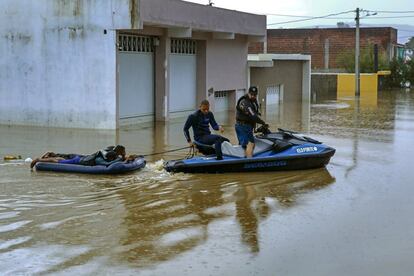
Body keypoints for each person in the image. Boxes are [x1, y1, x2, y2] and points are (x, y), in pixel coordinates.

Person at [30, 145, 134, 169]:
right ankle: (39, 159)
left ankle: (52, 153)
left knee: (65, 156)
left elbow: (116, 152)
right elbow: (108, 165)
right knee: (59, 161)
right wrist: (124, 161)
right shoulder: (100, 159)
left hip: (82, 157)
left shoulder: (107, 150)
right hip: (79, 161)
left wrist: (124, 157)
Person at [235, 86, 268, 158]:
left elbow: (255, 113)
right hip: (242, 126)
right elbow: (253, 116)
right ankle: (249, 162)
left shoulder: (253, 101)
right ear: (248, 93)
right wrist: (263, 122)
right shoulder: (244, 102)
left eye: (255, 95)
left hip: (247, 126)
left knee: (248, 144)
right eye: (251, 94)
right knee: (249, 144)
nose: (253, 96)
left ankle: (244, 158)